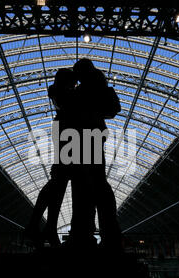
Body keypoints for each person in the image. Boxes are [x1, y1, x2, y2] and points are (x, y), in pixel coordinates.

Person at [67, 58, 123, 250]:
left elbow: (72, 111)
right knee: (98, 184)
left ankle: (82, 234)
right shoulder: (100, 86)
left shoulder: (85, 90)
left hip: (82, 138)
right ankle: (108, 232)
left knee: (83, 187)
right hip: (94, 136)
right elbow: (114, 109)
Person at [24, 68, 77, 247]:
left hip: (64, 131)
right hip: (68, 134)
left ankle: (48, 227)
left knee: (59, 182)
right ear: (67, 81)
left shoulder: (58, 92)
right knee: (58, 180)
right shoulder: (65, 94)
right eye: (73, 81)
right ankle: (38, 225)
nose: (76, 84)